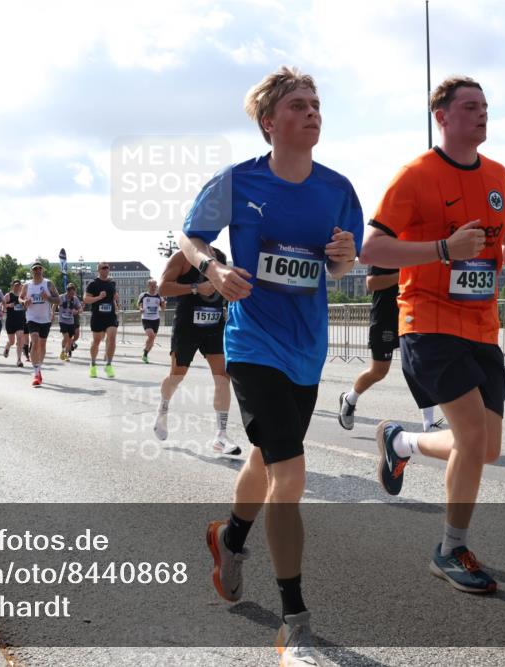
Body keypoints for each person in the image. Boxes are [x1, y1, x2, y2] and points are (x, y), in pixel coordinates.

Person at [185, 66, 363, 666]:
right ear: (270, 123)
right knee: (290, 472)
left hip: (307, 348)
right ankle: (296, 623)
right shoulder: (237, 182)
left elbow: (341, 267)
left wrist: (341, 260)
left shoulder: (338, 189)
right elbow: (190, 238)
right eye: (298, 105)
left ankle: (228, 537)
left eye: (316, 104)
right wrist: (213, 269)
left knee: (265, 457)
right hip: (253, 343)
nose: (312, 112)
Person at [360, 75, 505, 595]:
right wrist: (440, 250)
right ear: (442, 116)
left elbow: (502, 245)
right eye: (470, 106)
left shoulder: (498, 174)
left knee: (487, 447)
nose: (482, 114)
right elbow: (370, 250)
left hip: (482, 326)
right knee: (473, 438)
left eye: (485, 106)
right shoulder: (415, 176)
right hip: (428, 323)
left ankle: (401, 440)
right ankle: (450, 548)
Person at [154, 246, 239, 455]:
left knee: (222, 377)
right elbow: (162, 287)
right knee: (176, 376)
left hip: (214, 323)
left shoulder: (219, 256)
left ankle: (221, 435)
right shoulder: (182, 256)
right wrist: (195, 288)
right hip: (187, 326)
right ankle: (163, 408)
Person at [337, 269, 440, 432]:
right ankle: (350, 399)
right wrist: (406, 273)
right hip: (385, 317)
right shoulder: (383, 243)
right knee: (379, 371)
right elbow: (371, 283)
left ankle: (429, 423)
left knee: (420, 364)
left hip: (413, 314)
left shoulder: (420, 245)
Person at [22, 262, 60, 386]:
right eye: (35, 269)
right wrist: (24, 301)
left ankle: (39, 367)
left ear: (42, 271)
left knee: (42, 345)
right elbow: (20, 297)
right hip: (32, 317)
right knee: (35, 340)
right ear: (32, 271)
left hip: (45, 319)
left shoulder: (48, 284)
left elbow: (58, 300)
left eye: (39, 269)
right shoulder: (27, 285)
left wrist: (47, 298)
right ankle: (36, 372)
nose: (37, 271)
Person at [83, 262, 120, 378]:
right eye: (104, 268)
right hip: (98, 316)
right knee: (97, 341)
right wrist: (98, 297)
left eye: (108, 268)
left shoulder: (112, 283)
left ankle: (108, 365)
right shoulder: (93, 284)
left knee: (112, 338)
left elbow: (113, 298)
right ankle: (93, 364)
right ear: (99, 270)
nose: (106, 269)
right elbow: (85, 299)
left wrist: (116, 302)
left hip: (110, 316)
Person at [136, 279, 165, 363]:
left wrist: (163, 305)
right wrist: (141, 309)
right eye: (152, 286)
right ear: (148, 286)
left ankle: (145, 353)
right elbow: (139, 305)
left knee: (152, 339)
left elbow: (163, 308)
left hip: (156, 319)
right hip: (146, 318)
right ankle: (145, 353)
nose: (154, 287)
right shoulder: (143, 295)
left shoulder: (159, 296)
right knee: (151, 336)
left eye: (155, 286)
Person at [3, 280, 27, 367]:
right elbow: (2, 305)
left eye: (19, 285)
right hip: (10, 321)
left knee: (20, 339)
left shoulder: (23, 296)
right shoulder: (8, 295)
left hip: (20, 321)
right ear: (12, 286)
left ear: (21, 286)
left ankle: (19, 360)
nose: (17, 286)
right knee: (12, 341)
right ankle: (7, 347)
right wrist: (9, 305)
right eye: (15, 285)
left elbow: (27, 306)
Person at [57, 284, 82, 362]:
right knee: (66, 337)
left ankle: (65, 354)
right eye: (71, 293)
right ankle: (63, 350)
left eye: (73, 293)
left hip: (71, 321)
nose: (72, 295)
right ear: (67, 291)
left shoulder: (75, 299)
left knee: (70, 339)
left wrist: (77, 311)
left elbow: (80, 308)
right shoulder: (61, 297)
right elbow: (54, 304)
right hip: (62, 320)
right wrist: (52, 312)